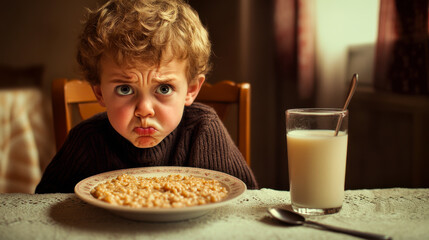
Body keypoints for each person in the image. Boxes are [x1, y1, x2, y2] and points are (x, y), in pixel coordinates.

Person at [36, 0, 258, 193]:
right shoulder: (86, 141)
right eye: (125, 89)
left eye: (163, 89)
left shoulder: (204, 130)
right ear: (100, 93)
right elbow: (43, 206)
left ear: (190, 90)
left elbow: (247, 201)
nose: (144, 109)